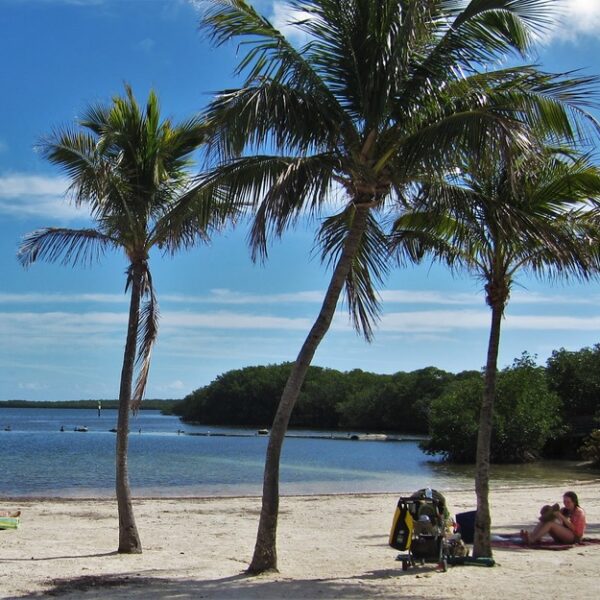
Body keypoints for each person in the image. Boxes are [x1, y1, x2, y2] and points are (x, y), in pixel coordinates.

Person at [521, 491, 586, 545]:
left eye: (568, 502)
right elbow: (558, 522)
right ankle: (532, 536)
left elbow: (574, 528)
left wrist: (561, 516)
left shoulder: (579, 512)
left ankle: (532, 540)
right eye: (564, 502)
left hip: (575, 538)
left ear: (574, 502)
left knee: (550, 524)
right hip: (564, 536)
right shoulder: (564, 510)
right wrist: (550, 513)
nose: (566, 504)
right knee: (546, 520)